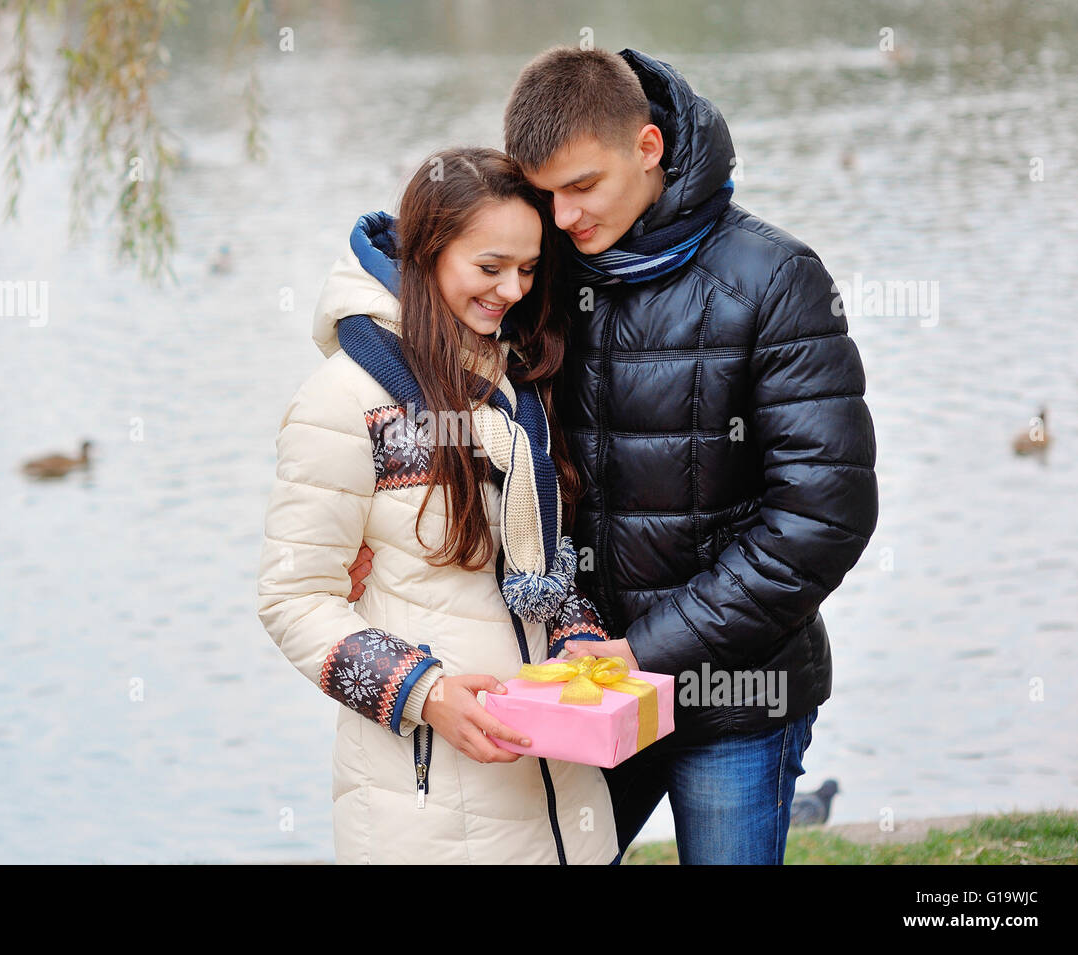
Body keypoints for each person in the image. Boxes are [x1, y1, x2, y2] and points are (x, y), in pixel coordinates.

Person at [351, 47, 879, 864]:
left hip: (734, 697)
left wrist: (646, 652)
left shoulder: (776, 279)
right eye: (545, 192)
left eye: (581, 187)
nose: (562, 218)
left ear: (647, 146)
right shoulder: (542, 274)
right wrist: (364, 514)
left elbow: (823, 517)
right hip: (570, 686)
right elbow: (424, 302)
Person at [256, 146, 619, 864]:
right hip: (426, 805)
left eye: (527, 268)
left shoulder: (510, 377)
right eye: (489, 268)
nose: (513, 289)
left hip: (563, 802)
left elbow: (536, 565)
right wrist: (426, 691)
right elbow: (292, 597)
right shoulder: (343, 400)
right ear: (425, 256)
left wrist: (577, 637)